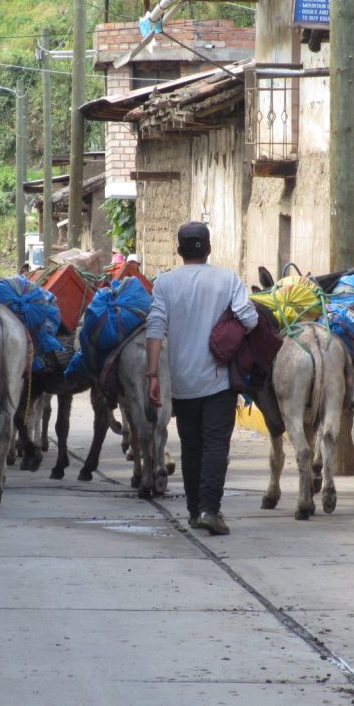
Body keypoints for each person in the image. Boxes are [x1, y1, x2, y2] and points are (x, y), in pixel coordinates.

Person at [146, 221, 257, 536]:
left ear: (179, 251)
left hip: (183, 382)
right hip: (219, 379)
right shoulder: (227, 279)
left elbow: (155, 328)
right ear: (209, 249)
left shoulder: (165, 283)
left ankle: (195, 511)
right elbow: (248, 317)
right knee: (215, 446)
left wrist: (153, 376)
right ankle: (210, 509)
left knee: (191, 447)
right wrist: (233, 331)